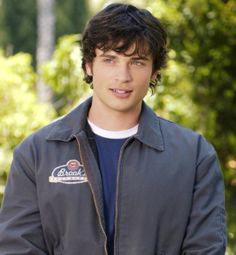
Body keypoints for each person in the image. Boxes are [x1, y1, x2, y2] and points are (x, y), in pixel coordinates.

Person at [0, 3, 226, 255]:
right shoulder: (36, 154)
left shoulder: (194, 156)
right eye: (110, 60)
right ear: (88, 65)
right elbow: (17, 248)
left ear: (154, 71)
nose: (123, 75)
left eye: (137, 62)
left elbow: (206, 248)